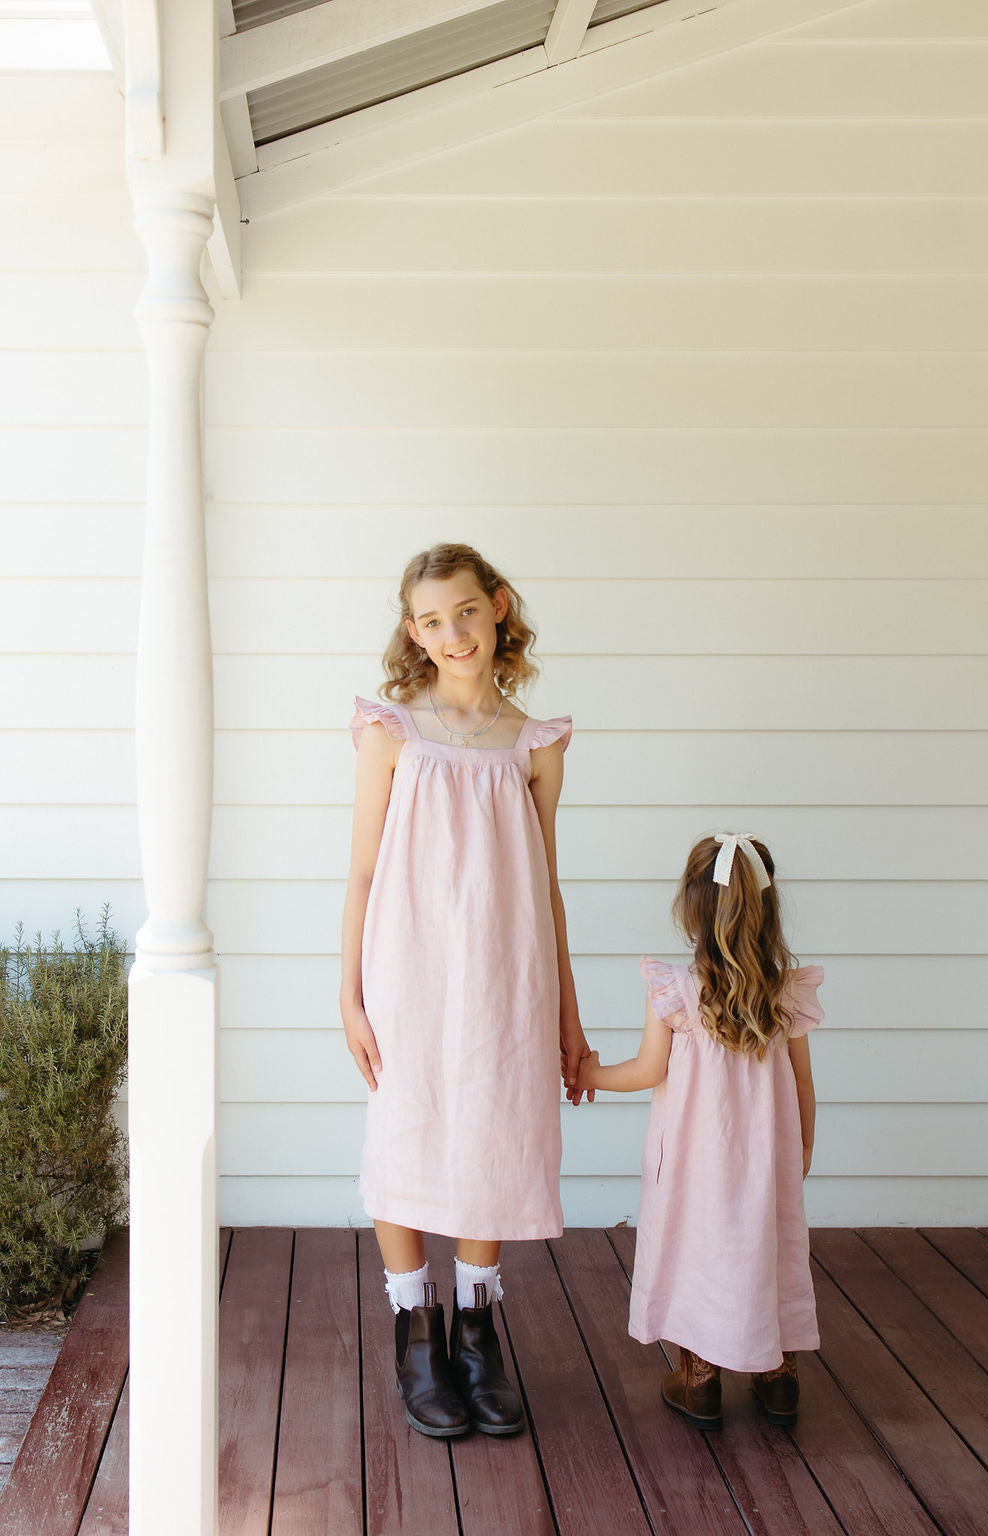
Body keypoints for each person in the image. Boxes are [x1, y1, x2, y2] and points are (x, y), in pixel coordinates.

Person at [341, 542, 591, 1439]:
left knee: (490, 1131)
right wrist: (350, 995)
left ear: (499, 607)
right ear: (415, 633)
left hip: (504, 974)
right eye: (434, 620)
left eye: (469, 612)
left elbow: (547, 884)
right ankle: (417, 1334)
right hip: (408, 970)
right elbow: (365, 870)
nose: (455, 633)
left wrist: (567, 1007)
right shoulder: (391, 732)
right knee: (409, 1134)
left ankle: (478, 1332)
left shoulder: (535, 744)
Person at [572, 832, 822, 1428]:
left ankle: (701, 1380)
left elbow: (645, 1071)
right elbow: (803, 1082)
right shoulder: (784, 992)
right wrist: (803, 1146)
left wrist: (586, 1073)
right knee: (769, 1246)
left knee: (699, 1253)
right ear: (768, 910)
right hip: (767, 1163)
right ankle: (777, 1377)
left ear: (693, 910)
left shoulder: (680, 992)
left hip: (693, 1164)